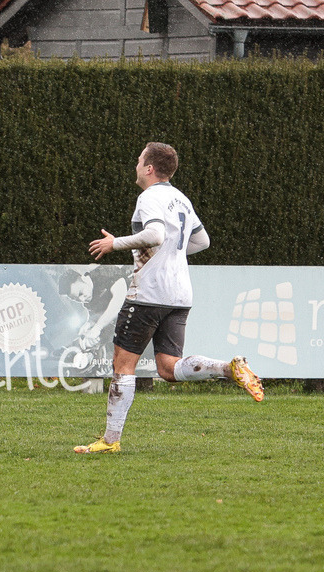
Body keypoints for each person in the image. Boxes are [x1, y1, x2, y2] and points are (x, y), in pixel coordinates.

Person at [74, 142, 264, 454]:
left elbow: (155, 235)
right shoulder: (181, 199)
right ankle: (229, 369)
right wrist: (170, 255)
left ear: (149, 168)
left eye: (139, 160)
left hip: (148, 293)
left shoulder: (149, 197)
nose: (136, 165)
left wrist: (115, 243)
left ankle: (109, 441)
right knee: (168, 368)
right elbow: (202, 241)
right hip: (179, 294)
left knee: (123, 365)